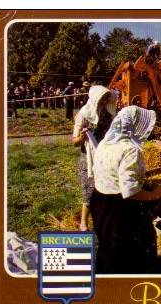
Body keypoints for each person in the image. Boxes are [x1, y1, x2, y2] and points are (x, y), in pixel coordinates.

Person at [91, 106, 161, 273]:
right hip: (120, 209)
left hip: (100, 201)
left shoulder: (106, 142)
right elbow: (131, 191)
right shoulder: (130, 149)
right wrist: (154, 194)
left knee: (108, 246)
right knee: (133, 248)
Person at [72, 85, 117, 231]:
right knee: (90, 191)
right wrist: (83, 136)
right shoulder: (84, 114)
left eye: (106, 97)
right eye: (102, 98)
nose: (105, 101)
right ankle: (84, 223)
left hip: (106, 156)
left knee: (108, 188)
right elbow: (74, 142)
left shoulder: (108, 112)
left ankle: (105, 218)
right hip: (89, 158)